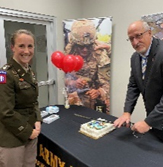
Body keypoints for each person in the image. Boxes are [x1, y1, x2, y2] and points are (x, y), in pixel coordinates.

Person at [114, 20, 163, 141]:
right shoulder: (135, 58)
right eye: (131, 39)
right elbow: (133, 86)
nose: (135, 42)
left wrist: (148, 122)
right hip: (155, 121)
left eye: (138, 36)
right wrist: (127, 112)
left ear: (149, 33)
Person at [0, 29, 42, 167]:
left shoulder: (30, 71)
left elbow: (34, 101)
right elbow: (5, 112)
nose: (26, 51)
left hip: (31, 132)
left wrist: (37, 119)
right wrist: (28, 131)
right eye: (21, 46)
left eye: (30, 46)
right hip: (12, 137)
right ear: (12, 47)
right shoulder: (5, 74)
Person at [64, 20, 111, 114]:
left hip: (95, 101)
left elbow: (108, 82)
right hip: (75, 100)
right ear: (75, 43)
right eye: (81, 46)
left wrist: (99, 92)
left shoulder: (99, 53)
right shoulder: (68, 52)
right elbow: (61, 78)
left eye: (88, 46)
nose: (85, 50)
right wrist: (73, 82)